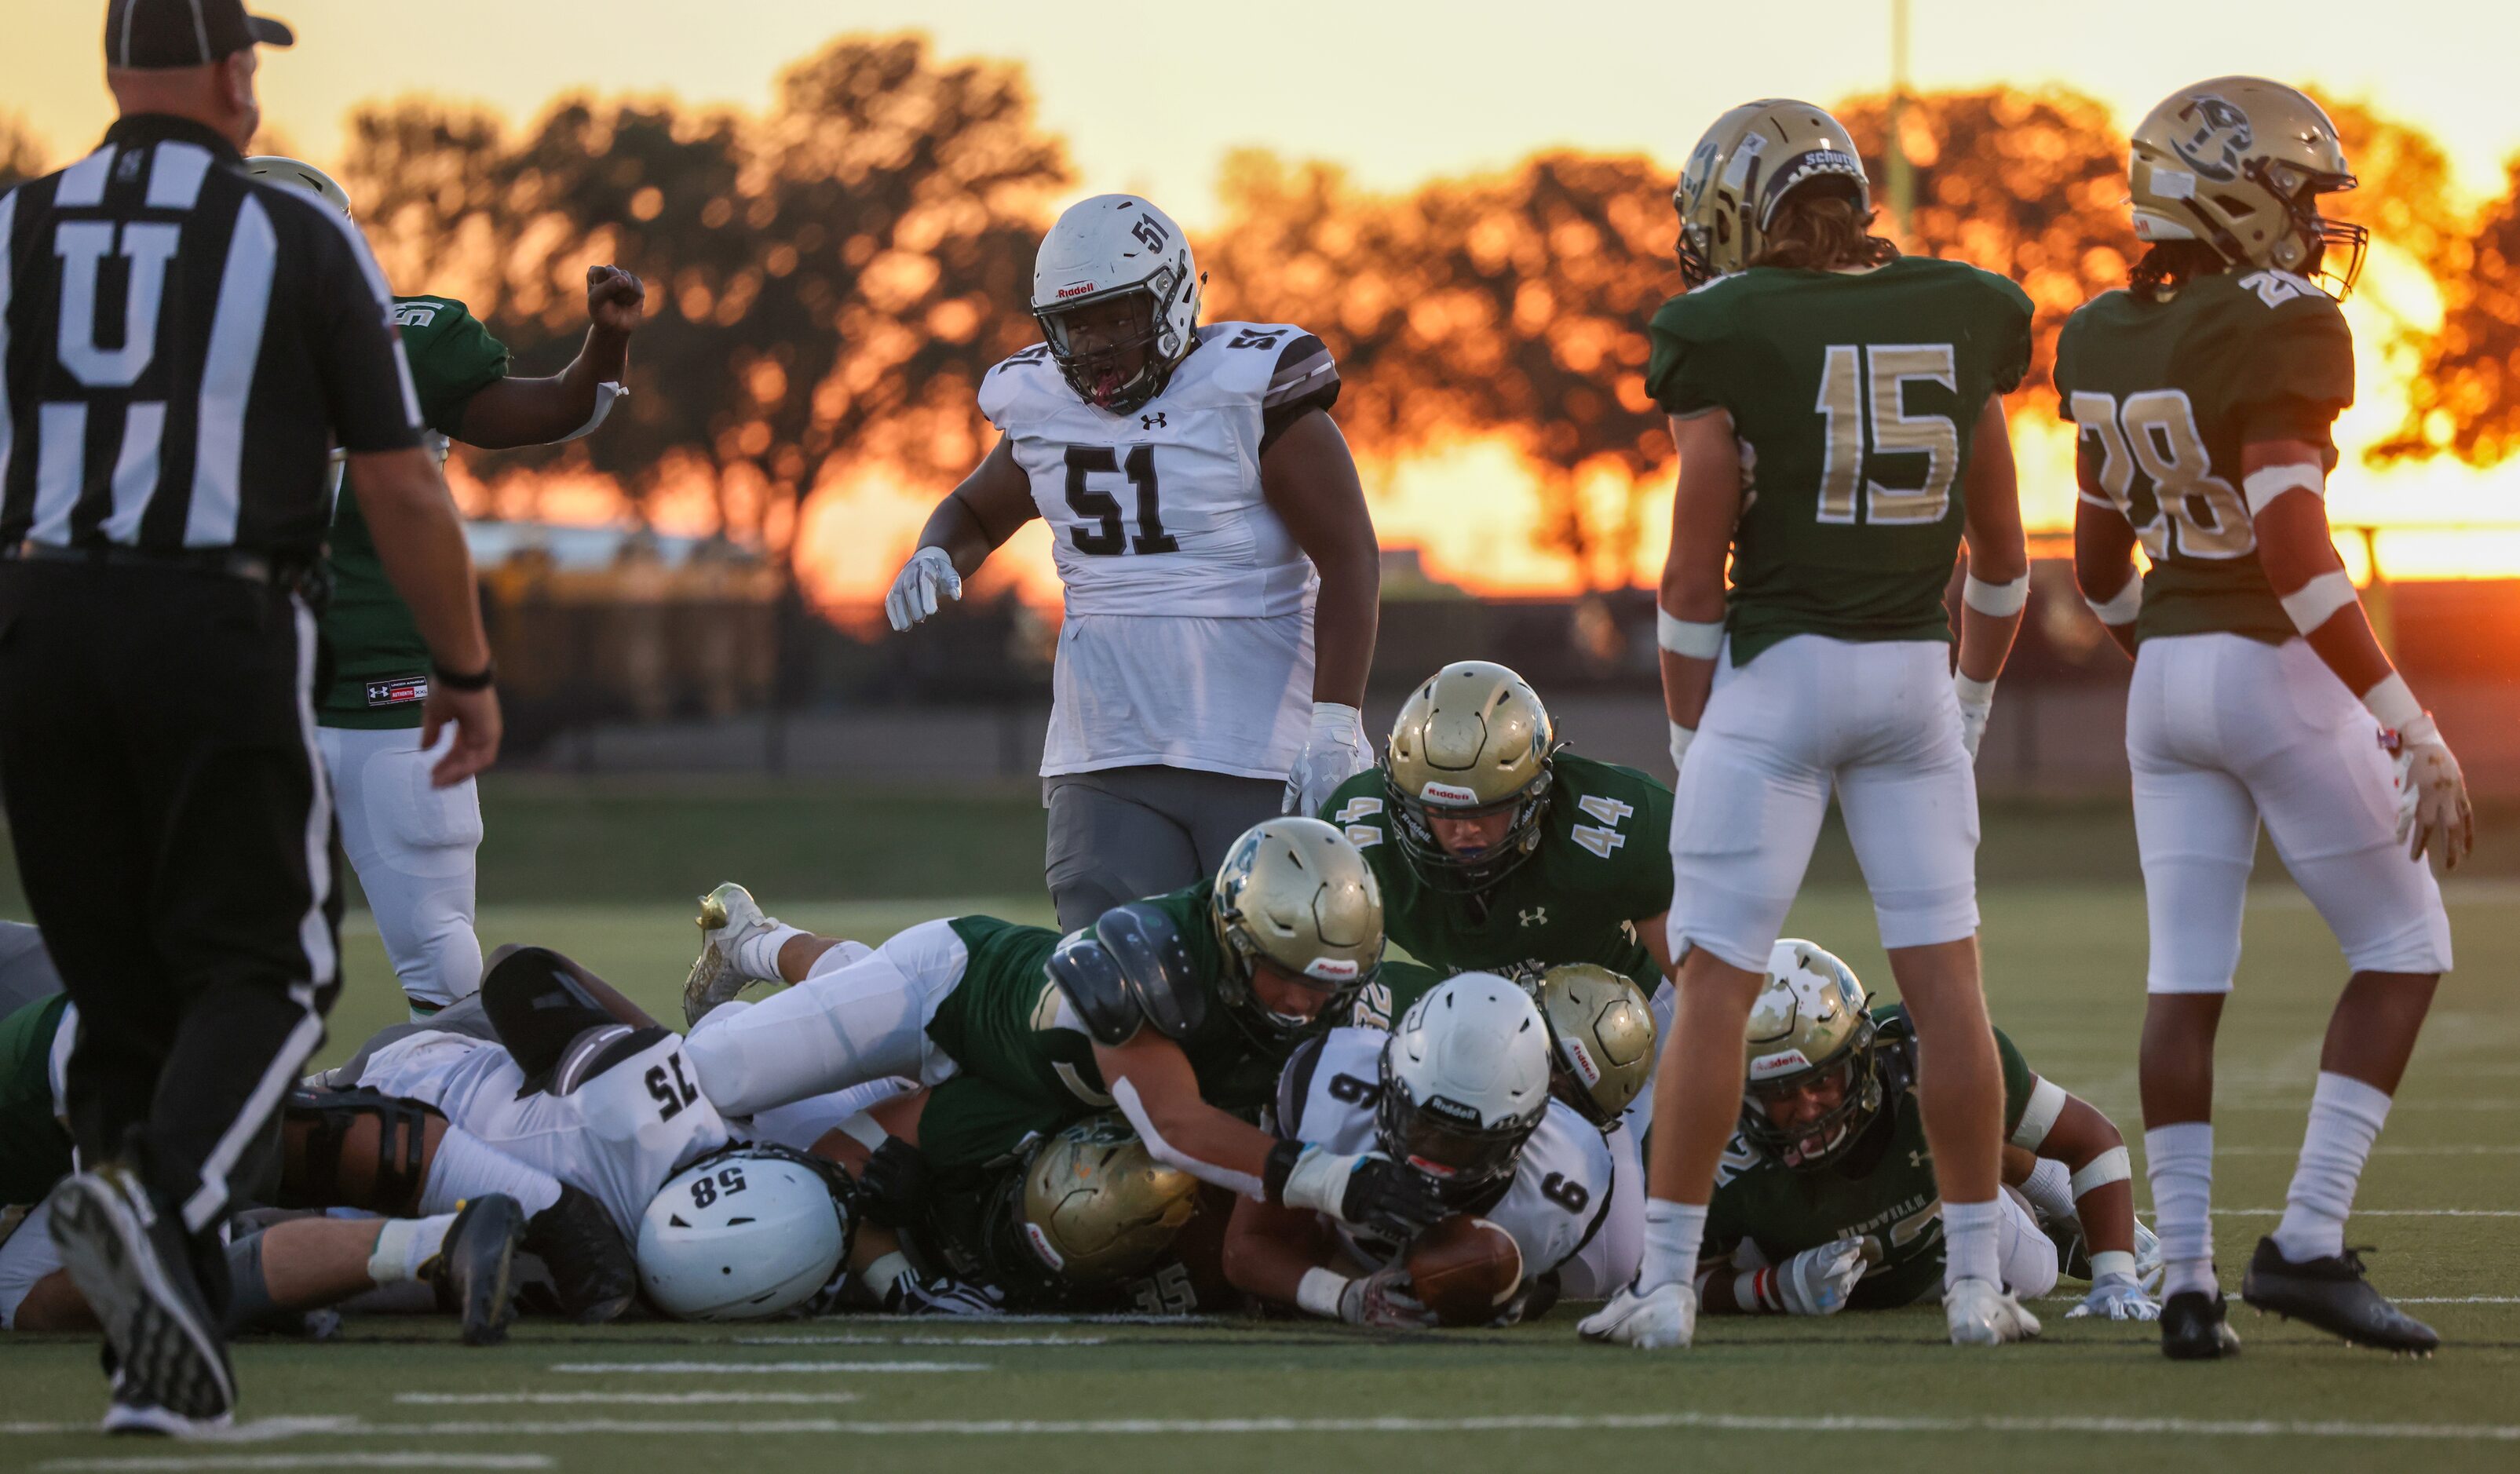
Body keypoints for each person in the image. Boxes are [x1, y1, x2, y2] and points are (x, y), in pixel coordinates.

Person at [0, 1, 499, 1432]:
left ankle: (148, 1366)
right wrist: (463, 672)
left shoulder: (21, 228)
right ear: (236, 75)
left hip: (41, 620)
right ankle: (145, 1209)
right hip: (211, 617)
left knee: (120, 985)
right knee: (269, 971)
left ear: (110, 74)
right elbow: (401, 481)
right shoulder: (291, 231)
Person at [1581, 99, 2036, 1352]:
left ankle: (1667, 1286)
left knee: (1714, 986)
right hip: (1909, 680)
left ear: (1736, 214)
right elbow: (2000, 565)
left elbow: (1688, 577)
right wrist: (1972, 698)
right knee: (1947, 991)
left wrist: (1689, 733)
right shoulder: (1961, 308)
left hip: (1772, 679)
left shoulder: (1721, 329)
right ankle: (1973, 1287)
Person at [2059, 77, 2466, 1359]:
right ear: (2234, 192)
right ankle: (2304, 1238)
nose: (2309, 223)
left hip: (2162, 681)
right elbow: (2295, 548)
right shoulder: (2283, 322)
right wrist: (2409, 718)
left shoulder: (2102, 333)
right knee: (2406, 944)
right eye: (2297, 192)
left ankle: (2186, 1283)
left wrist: (2166, 656)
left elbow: (2094, 564)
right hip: (2269, 665)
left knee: (2186, 975)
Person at [883, 195, 1381, 930]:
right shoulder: (1043, 404)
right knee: (1114, 990)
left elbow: (1350, 559)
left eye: (1118, 316)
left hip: (1260, 751)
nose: (1097, 345)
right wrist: (934, 547)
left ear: (1174, 299)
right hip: (1105, 753)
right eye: (1076, 324)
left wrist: (1334, 726)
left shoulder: (1250, 392)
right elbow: (978, 510)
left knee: (1278, 990)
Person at [243, 156, 643, 1021]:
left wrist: (605, 341)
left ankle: (515, 1141)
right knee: (223, 980)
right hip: (244, 707)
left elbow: (549, 409)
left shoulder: (402, 342)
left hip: (385, 708)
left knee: (447, 979)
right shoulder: (175, 371)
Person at [679, 817, 1445, 1248]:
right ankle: (746, 943)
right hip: (953, 990)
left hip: (1040, 1091)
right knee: (722, 1073)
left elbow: (1439, 1021)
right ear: (1237, 941)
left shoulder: (1337, 985)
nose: (1314, 1000)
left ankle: (757, 936)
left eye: (1332, 980)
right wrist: (1336, 1181)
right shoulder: (1146, 962)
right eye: (1295, 977)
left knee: (861, 1064)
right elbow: (1173, 1125)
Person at [0, 992, 525, 1345]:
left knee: (189, 1280)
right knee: (17, 1291)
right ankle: (271, 1269)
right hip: (154, 1035)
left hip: (110, 1062)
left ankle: (438, 1243)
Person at [1695, 941, 2159, 1322]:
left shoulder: (1927, 1057)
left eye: (1822, 1081)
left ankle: (2030, 1191)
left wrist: (2116, 1275)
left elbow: (2093, 1138)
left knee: (2040, 1269)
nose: (1807, 1110)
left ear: (1862, 1055)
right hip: (1789, 1253)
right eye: (1781, 1094)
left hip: (1943, 1244)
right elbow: (1676, 1278)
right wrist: (1771, 1287)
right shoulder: (1722, 1148)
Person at [1225, 974, 1641, 1326]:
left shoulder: (1565, 1180)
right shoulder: (1330, 1082)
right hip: (1329, 1244)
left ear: (1525, 1131)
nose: (1433, 1156)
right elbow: (1246, 1246)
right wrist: (1346, 1296)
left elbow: (1541, 1283)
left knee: (1620, 1262)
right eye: (1421, 1124)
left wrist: (1506, 1297)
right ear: (1387, 1079)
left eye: (1464, 1142)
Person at [1321, 662, 1678, 1053]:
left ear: (1537, 790)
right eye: (1443, 811)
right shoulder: (1357, 832)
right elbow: (1323, 994)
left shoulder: (1613, 828)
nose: (1466, 830)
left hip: (1629, 1015)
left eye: (1488, 809)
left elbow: (1698, 981)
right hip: (1488, 1030)